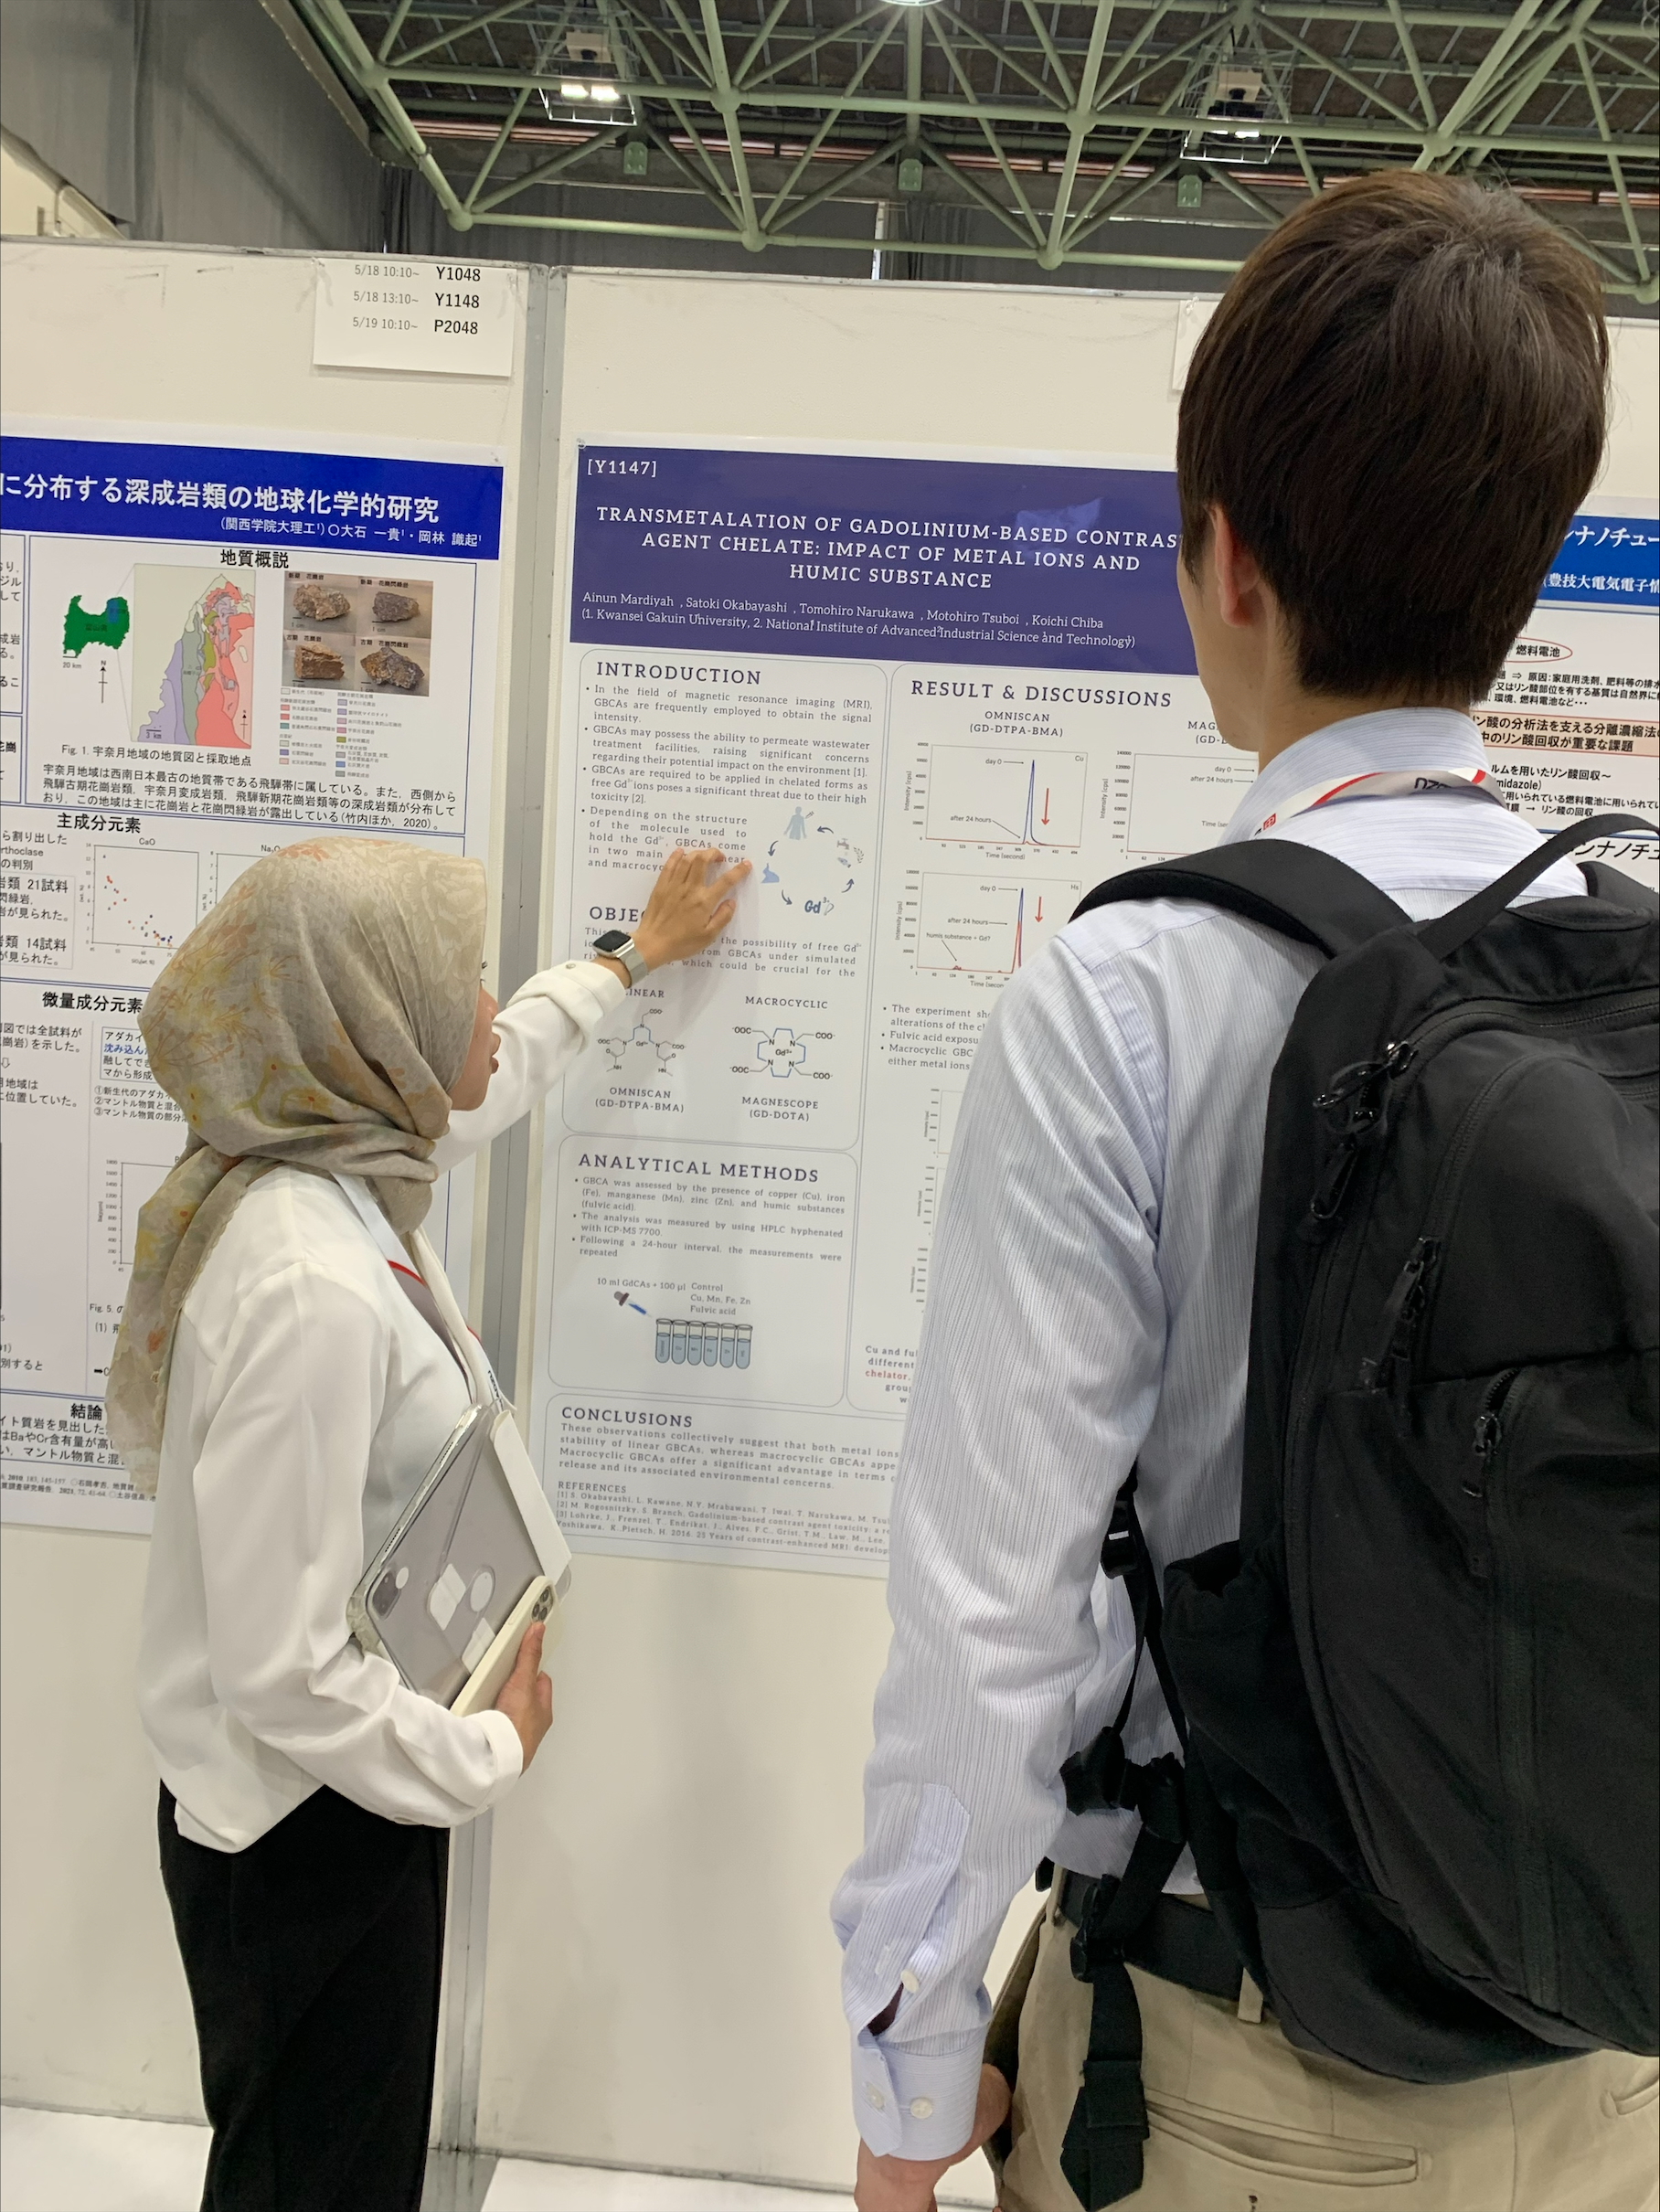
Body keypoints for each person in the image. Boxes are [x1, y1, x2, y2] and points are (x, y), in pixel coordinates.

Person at [833, 175, 1658, 2212]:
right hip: (1608, 2064)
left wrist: (907, 2085)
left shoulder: (1125, 995)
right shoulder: (1630, 951)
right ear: (1522, 569)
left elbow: (990, 1624)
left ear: (1222, 563)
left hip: (1241, 2074)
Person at [114, 835, 747, 2212]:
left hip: (328, 1797)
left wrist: (629, 960)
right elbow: (280, 1669)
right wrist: (486, 1754)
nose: (481, 1003)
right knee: (314, 2182)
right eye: (453, 980)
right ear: (373, 1028)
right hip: (300, 1830)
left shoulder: (324, 1145)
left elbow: (490, 1075)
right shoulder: (308, 1288)